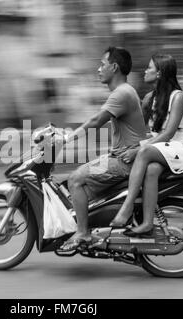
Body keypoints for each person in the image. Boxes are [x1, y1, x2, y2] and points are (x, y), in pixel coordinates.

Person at [59, 47, 146, 251]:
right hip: (123, 157)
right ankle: (93, 226)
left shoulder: (122, 93)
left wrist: (69, 137)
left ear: (114, 67)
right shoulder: (126, 91)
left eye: (102, 64)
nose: (98, 69)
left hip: (124, 163)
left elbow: (97, 120)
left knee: (75, 179)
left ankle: (82, 233)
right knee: (79, 184)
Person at [109, 53, 183, 236]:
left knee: (143, 153)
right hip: (162, 148)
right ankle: (147, 223)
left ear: (159, 73)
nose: (145, 71)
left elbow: (169, 133)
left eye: (149, 68)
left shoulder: (178, 97)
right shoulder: (150, 98)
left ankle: (127, 207)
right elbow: (137, 130)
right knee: (151, 170)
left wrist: (138, 150)